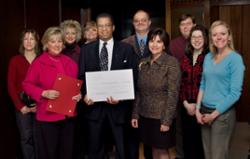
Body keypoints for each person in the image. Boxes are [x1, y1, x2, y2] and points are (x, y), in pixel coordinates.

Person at [78, 13, 137, 159]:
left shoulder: (126, 49)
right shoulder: (86, 50)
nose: (104, 29)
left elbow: (133, 78)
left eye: (107, 25)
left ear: (113, 28)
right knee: (95, 150)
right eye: (100, 26)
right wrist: (85, 94)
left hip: (119, 110)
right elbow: (81, 76)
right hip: (94, 109)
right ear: (97, 28)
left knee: (123, 150)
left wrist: (122, 98)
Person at [22, 27, 82, 159]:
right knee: (49, 154)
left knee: (67, 153)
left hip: (68, 117)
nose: (57, 44)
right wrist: (43, 93)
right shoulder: (38, 63)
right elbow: (26, 84)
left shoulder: (71, 63)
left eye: (59, 41)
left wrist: (79, 95)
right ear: (46, 44)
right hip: (48, 117)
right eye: (53, 41)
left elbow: (76, 86)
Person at [195, 20, 245, 159]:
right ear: (211, 38)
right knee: (208, 154)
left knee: (218, 155)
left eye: (222, 33)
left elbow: (235, 93)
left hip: (222, 115)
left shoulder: (235, 59)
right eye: (215, 34)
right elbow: (203, 84)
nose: (219, 37)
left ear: (229, 36)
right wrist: (198, 110)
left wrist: (214, 115)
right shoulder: (208, 57)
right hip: (204, 111)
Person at [131, 28, 181, 159]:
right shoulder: (143, 62)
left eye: (159, 42)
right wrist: (135, 114)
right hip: (145, 115)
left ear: (164, 45)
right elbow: (139, 91)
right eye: (152, 41)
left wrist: (167, 120)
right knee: (153, 150)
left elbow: (173, 94)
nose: (154, 45)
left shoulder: (172, 63)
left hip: (162, 116)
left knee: (162, 151)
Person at [122, 9, 153, 159]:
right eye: (137, 20)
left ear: (149, 22)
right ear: (133, 24)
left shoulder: (158, 40)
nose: (140, 22)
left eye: (143, 20)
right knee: (131, 137)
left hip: (151, 96)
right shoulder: (124, 43)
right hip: (130, 96)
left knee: (150, 138)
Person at [7, 29, 40, 159]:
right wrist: (21, 107)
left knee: (40, 138)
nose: (29, 42)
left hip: (40, 106)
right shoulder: (15, 60)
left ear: (37, 41)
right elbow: (11, 86)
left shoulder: (42, 59)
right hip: (22, 107)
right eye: (26, 39)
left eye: (32, 38)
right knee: (26, 138)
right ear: (22, 42)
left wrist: (40, 104)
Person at [169, 14, 196, 159]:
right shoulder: (173, 44)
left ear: (194, 25)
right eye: (182, 24)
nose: (185, 27)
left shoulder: (200, 41)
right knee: (179, 128)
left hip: (198, 92)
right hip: (179, 92)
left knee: (197, 127)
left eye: (188, 23)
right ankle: (180, 155)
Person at [179, 25, 208, 159]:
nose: (196, 40)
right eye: (194, 37)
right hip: (186, 106)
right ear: (190, 39)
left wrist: (197, 106)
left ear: (205, 39)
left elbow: (210, 85)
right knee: (188, 142)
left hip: (203, 106)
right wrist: (185, 103)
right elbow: (181, 84)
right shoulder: (185, 58)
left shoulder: (210, 58)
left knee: (202, 144)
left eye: (199, 37)